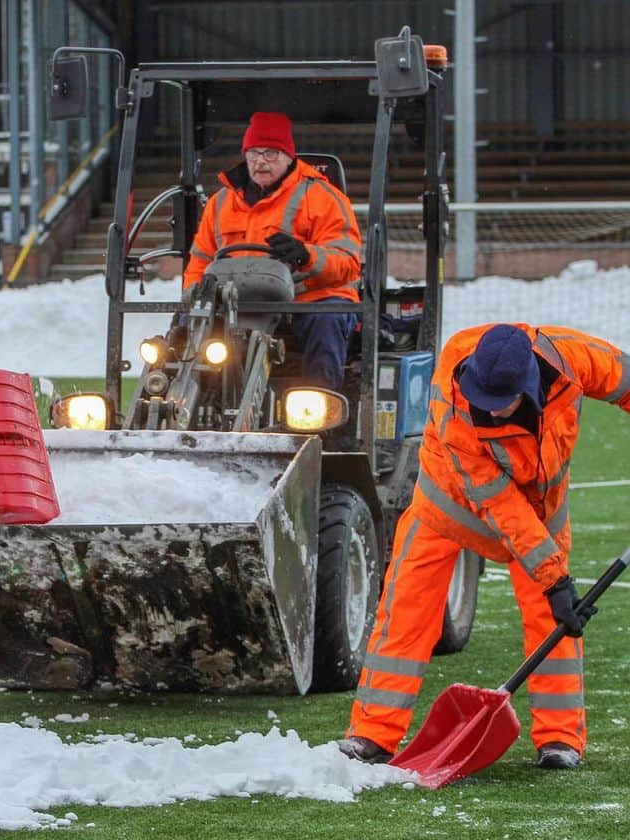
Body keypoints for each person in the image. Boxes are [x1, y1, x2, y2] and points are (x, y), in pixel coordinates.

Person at [339, 323, 629, 770]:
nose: (488, 412)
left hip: (539, 512)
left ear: (528, 383)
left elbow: (625, 378)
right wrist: (554, 577)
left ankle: (559, 739)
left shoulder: (571, 358)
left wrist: (556, 588)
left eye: (500, 404)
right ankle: (372, 735)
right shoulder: (455, 406)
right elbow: (499, 502)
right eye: (481, 399)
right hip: (446, 509)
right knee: (407, 611)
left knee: (554, 619)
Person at [182, 111, 363, 390]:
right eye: (253, 154)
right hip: (237, 303)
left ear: (289, 157)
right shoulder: (221, 202)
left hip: (308, 300)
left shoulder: (322, 198)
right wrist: (194, 296)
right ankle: (180, 404)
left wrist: (307, 255)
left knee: (327, 319)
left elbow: (348, 261)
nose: (260, 162)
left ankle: (321, 413)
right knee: (186, 327)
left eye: (270, 154)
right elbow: (200, 261)